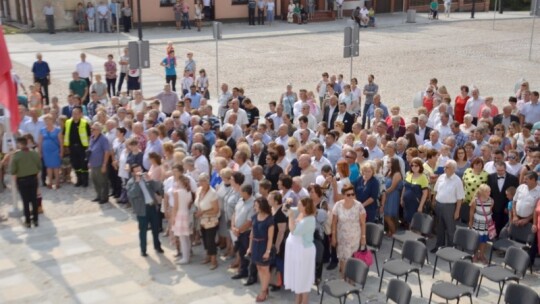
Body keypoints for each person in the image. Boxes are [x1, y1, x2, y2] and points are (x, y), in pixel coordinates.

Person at [126, 164, 164, 257]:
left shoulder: (146, 179)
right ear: (133, 173)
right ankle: (143, 249)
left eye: (140, 169)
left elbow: (158, 187)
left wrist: (150, 180)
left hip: (152, 207)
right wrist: (137, 183)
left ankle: (157, 246)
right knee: (143, 230)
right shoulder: (131, 183)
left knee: (155, 229)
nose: (139, 172)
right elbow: (132, 194)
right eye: (137, 171)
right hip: (142, 209)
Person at [284, 197, 316, 304]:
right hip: (296, 251)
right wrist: (287, 203)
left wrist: (291, 218)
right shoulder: (300, 212)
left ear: (305, 206)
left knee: (304, 279)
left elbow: (293, 231)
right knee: (298, 278)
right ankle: (297, 300)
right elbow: (284, 210)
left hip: (304, 252)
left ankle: (304, 301)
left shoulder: (310, 220)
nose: (297, 205)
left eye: (299, 204)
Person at [332, 184, 367, 274]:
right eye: (348, 195)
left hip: (354, 238)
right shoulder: (338, 205)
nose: (351, 196)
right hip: (342, 238)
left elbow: (363, 223)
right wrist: (333, 237)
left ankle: (350, 278)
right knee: (343, 259)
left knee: (352, 259)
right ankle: (344, 279)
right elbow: (334, 222)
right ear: (343, 195)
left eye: (353, 194)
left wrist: (363, 237)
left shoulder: (359, 206)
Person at [432, 159, 465, 253]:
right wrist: (434, 200)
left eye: (447, 167)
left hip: (449, 207)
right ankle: (439, 246)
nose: (444, 169)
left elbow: (460, 198)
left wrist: (457, 211)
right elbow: (436, 190)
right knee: (439, 228)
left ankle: (451, 249)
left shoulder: (457, 180)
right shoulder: (441, 177)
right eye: (444, 167)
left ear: (453, 169)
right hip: (438, 205)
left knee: (450, 229)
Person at [247, 197, 274, 302]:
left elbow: (270, 238)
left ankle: (263, 291)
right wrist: (250, 247)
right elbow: (252, 233)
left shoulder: (269, 220)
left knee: (265, 269)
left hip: (264, 245)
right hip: (255, 244)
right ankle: (264, 288)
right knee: (259, 267)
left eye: (256, 205)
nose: (254, 207)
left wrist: (267, 251)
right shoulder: (254, 217)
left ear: (262, 206)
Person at [11, 136, 42, 228]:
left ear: (20, 144)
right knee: (34, 200)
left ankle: (28, 221)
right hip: (33, 179)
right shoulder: (34, 153)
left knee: (25, 201)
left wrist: (15, 183)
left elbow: (13, 171)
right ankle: (35, 220)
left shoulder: (16, 155)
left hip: (22, 180)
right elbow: (39, 167)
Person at [195, 173, 220, 270]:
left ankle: (214, 260)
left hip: (211, 219)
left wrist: (203, 212)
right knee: (204, 239)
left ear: (208, 181)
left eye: (203, 181)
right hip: (201, 220)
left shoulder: (212, 193)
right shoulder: (199, 190)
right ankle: (208, 256)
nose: (201, 183)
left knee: (210, 240)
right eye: (200, 180)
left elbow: (216, 209)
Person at [64, 106, 90, 187]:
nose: (74, 115)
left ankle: (85, 181)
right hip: (72, 147)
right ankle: (79, 179)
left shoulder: (85, 123)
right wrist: (66, 147)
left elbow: (89, 136)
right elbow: (65, 134)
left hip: (82, 147)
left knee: (83, 165)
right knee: (75, 164)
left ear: (81, 114)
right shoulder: (68, 122)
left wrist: (88, 147)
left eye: (76, 113)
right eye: (73, 113)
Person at [468, 184, 493, 264]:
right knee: (476, 240)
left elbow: (489, 211)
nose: (489, 193)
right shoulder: (475, 201)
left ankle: (481, 255)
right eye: (487, 191)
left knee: (484, 240)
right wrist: (470, 222)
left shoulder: (491, 201)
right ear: (482, 192)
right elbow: (471, 212)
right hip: (477, 223)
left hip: (486, 224)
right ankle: (475, 255)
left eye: (489, 191)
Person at [38, 114, 63, 189]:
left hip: (55, 150)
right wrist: (40, 152)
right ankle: (50, 182)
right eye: (46, 120)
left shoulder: (57, 130)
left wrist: (61, 151)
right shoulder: (42, 130)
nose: (47, 122)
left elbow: (61, 142)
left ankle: (57, 182)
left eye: (49, 120)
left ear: (52, 120)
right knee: (48, 167)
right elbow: (40, 142)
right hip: (46, 151)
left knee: (56, 167)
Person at [88, 122, 110, 204]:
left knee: (102, 181)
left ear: (99, 130)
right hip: (93, 163)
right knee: (95, 180)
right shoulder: (92, 137)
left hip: (100, 164)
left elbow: (106, 152)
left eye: (93, 129)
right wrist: (89, 161)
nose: (91, 130)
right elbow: (90, 149)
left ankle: (104, 197)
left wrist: (104, 164)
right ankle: (98, 195)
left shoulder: (103, 139)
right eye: (91, 129)